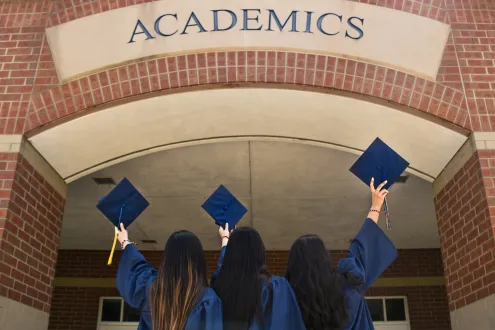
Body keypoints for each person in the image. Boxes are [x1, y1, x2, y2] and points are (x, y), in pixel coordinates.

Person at [285, 178, 398, 330]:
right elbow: (362, 247)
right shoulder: (348, 286)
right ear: (324, 258)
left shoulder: (285, 298)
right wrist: (376, 206)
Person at [116, 224, 223, 330]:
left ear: (167, 258)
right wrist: (225, 241)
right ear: (199, 260)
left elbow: (136, 266)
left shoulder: (150, 288)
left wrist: (125, 242)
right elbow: (224, 275)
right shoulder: (207, 299)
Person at [211, 225, 306, 330]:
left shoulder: (218, 284)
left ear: (230, 254)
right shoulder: (275, 288)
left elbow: (222, 267)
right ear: (260, 252)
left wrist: (225, 240)